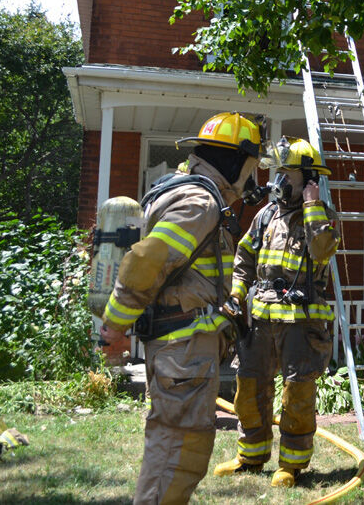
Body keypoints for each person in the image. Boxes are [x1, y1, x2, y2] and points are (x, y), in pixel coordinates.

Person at [98, 112, 266, 505]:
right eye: (251, 167)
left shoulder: (182, 190)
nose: (252, 178)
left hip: (180, 351)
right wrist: (115, 328)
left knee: (173, 445)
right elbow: (146, 263)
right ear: (236, 160)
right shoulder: (200, 201)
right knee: (179, 451)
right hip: (184, 352)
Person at [213, 138, 339, 488]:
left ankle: (291, 465)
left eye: (288, 172)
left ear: (309, 179)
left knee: (297, 394)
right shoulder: (265, 215)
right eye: (278, 171)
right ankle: (250, 456)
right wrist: (237, 294)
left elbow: (322, 250)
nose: (279, 178)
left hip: (301, 322)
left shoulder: (324, 217)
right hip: (259, 319)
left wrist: (313, 207)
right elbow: (244, 261)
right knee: (249, 387)